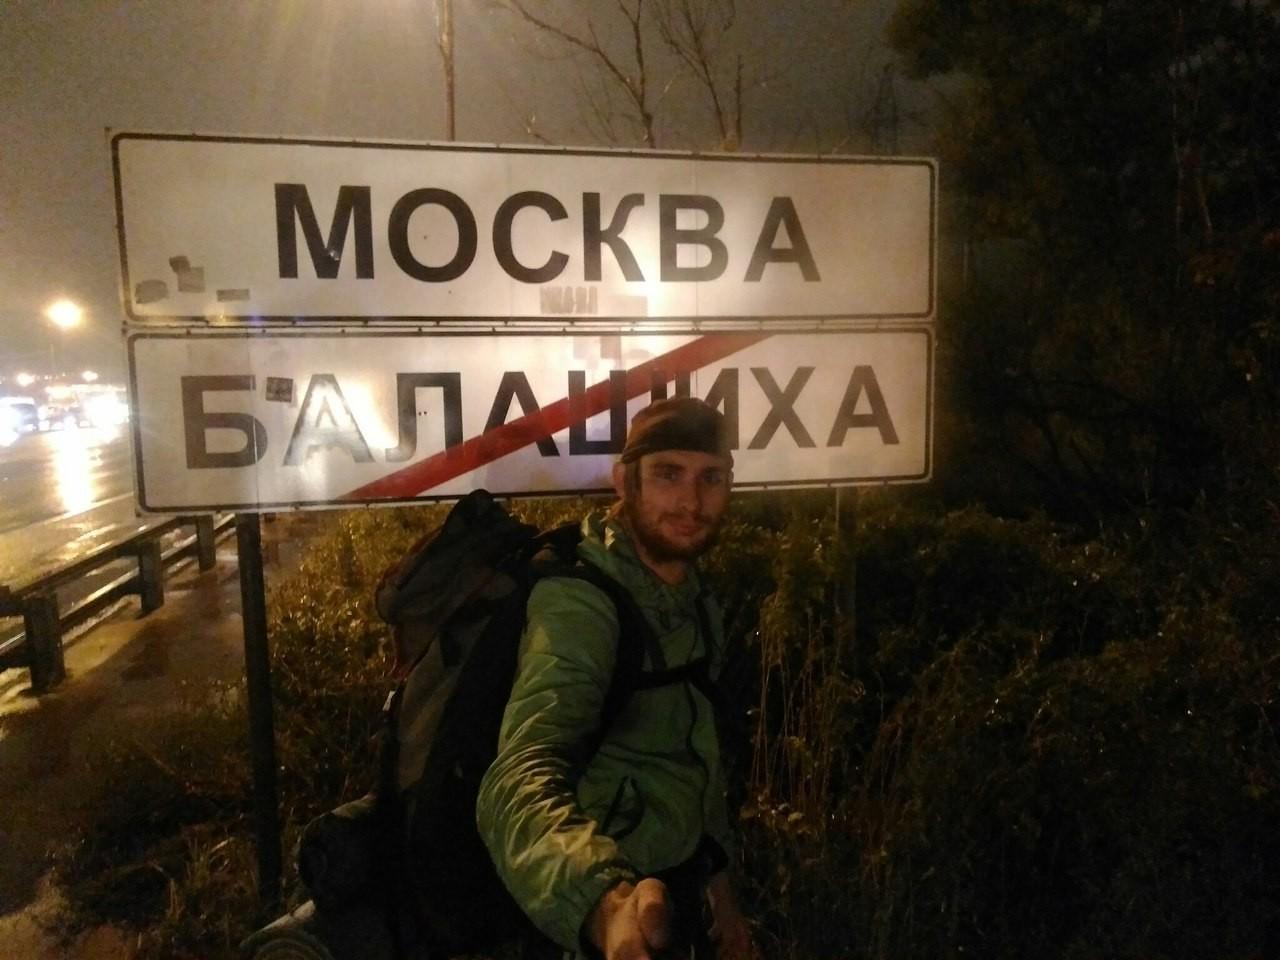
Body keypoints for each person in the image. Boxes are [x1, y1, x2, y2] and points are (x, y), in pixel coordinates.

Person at [476, 397, 757, 960]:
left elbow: (695, 759)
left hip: (677, 892)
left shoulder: (693, 597)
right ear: (624, 481)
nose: (692, 502)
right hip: (599, 913)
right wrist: (604, 907)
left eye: (711, 478)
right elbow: (519, 775)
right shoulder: (581, 604)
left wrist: (722, 898)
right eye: (668, 474)